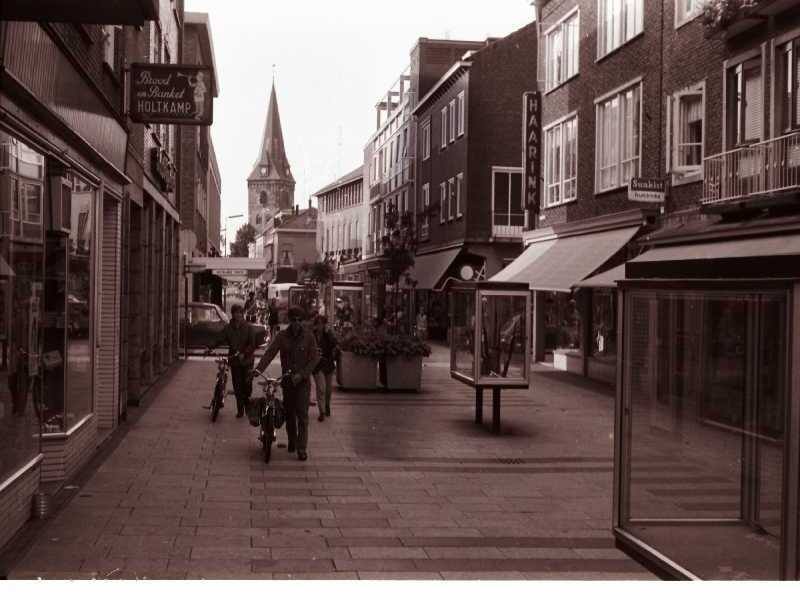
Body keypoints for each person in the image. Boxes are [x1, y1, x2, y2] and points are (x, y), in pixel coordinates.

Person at [252, 306, 319, 461]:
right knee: (289, 414)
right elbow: (270, 353)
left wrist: (302, 375)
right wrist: (258, 369)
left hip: (302, 383)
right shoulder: (282, 336)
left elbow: (314, 358)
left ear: (302, 321)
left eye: (299, 320)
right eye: (293, 320)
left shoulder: (308, 337)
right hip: (287, 382)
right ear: (289, 320)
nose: (296, 323)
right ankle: (292, 441)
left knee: (302, 416)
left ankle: (301, 449)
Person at [207, 304, 258, 418]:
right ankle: (240, 410)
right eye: (236, 313)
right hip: (234, 361)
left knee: (247, 385)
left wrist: (244, 353)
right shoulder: (228, 328)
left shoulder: (248, 327)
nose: (238, 315)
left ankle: (247, 403)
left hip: (247, 361)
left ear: (242, 314)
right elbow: (219, 339)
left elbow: (252, 344)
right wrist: (209, 347)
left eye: (240, 312)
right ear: (233, 314)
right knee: (237, 386)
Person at [312, 315, 339, 422]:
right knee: (321, 388)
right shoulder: (312, 335)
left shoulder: (328, 335)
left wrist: (328, 333)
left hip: (328, 364)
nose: (320, 326)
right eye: (318, 323)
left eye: (322, 323)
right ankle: (322, 411)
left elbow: (334, 344)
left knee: (328, 390)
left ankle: (327, 405)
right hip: (318, 366)